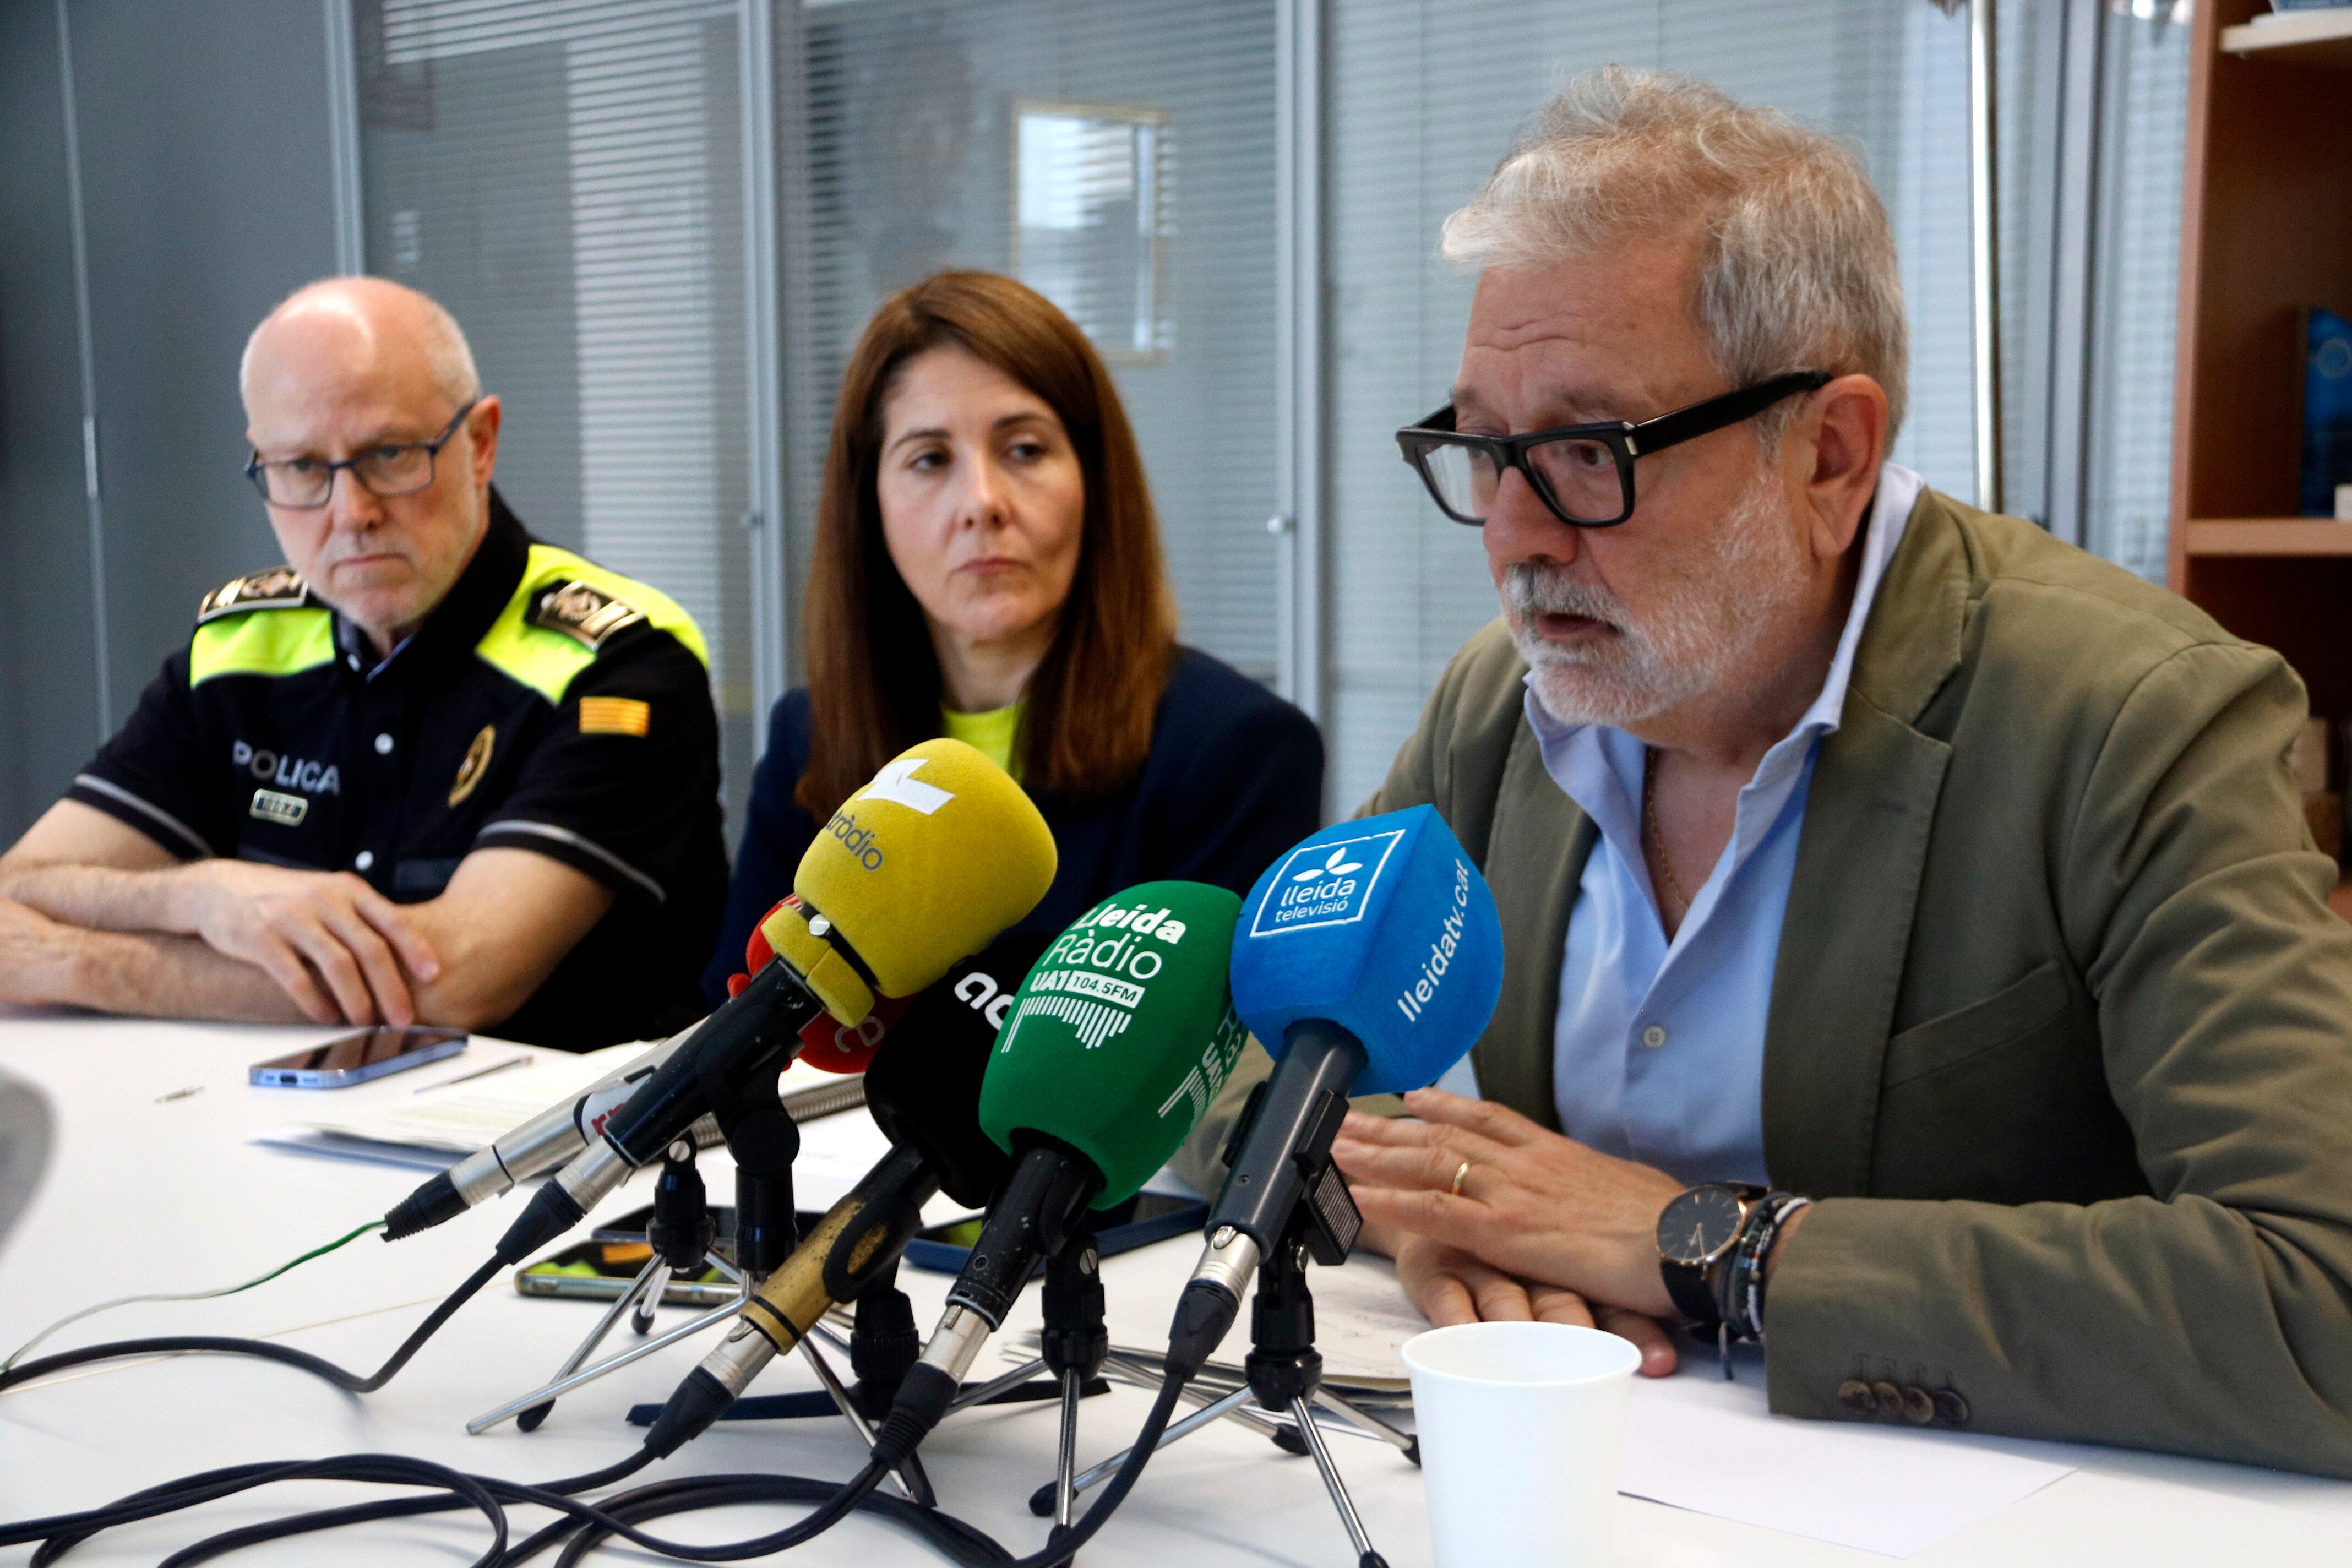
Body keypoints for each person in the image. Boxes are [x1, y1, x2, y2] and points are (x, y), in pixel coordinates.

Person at [1183, 68, 2352, 1477]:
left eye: (1583, 449)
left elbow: (2320, 1292)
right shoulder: (1504, 705)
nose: (1513, 535)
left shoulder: (2134, 719)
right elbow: (1232, 1078)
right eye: (1486, 448)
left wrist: (1714, 1245)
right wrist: (1423, 1208)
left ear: (1830, 453)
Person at [0, 277, 726, 1049]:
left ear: (479, 444)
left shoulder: (618, 660)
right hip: (263, 1130)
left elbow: (447, 982)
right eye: (304, 468)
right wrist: (201, 896)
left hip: (565, 1152)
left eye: (389, 454)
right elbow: (18, 884)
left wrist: (82, 966)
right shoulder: (241, 648)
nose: (352, 514)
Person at [710, 271, 1321, 1000]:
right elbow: (736, 1016)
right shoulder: (810, 736)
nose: (982, 503)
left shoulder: (1235, 750)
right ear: (867, 503)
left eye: (1024, 450)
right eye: (930, 460)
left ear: (1095, 481)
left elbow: (1216, 1084)